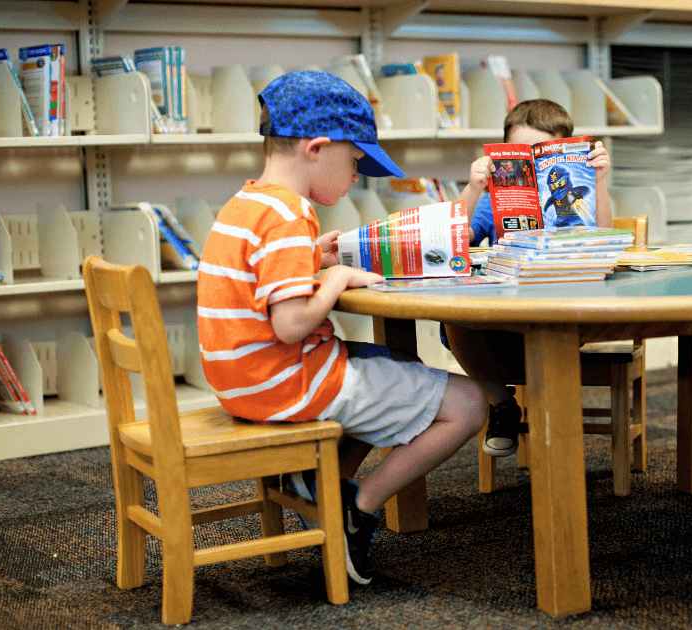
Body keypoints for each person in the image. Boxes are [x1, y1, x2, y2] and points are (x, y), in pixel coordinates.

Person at [196, 70, 485, 584]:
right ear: (317, 148)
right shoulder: (288, 216)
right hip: (289, 384)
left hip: (245, 384)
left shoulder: (246, 204)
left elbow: (261, 288)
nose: (356, 177)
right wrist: (337, 277)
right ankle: (361, 509)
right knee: (469, 404)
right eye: (354, 162)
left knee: (401, 364)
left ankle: (318, 476)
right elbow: (289, 324)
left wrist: (312, 260)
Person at [450, 99, 613, 457]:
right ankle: (502, 402)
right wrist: (474, 188)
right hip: (504, 322)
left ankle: (546, 432)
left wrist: (598, 180)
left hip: (565, 319)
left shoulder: (579, 187)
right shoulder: (493, 198)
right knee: (452, 320)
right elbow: (455, 243)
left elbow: (604, 240)